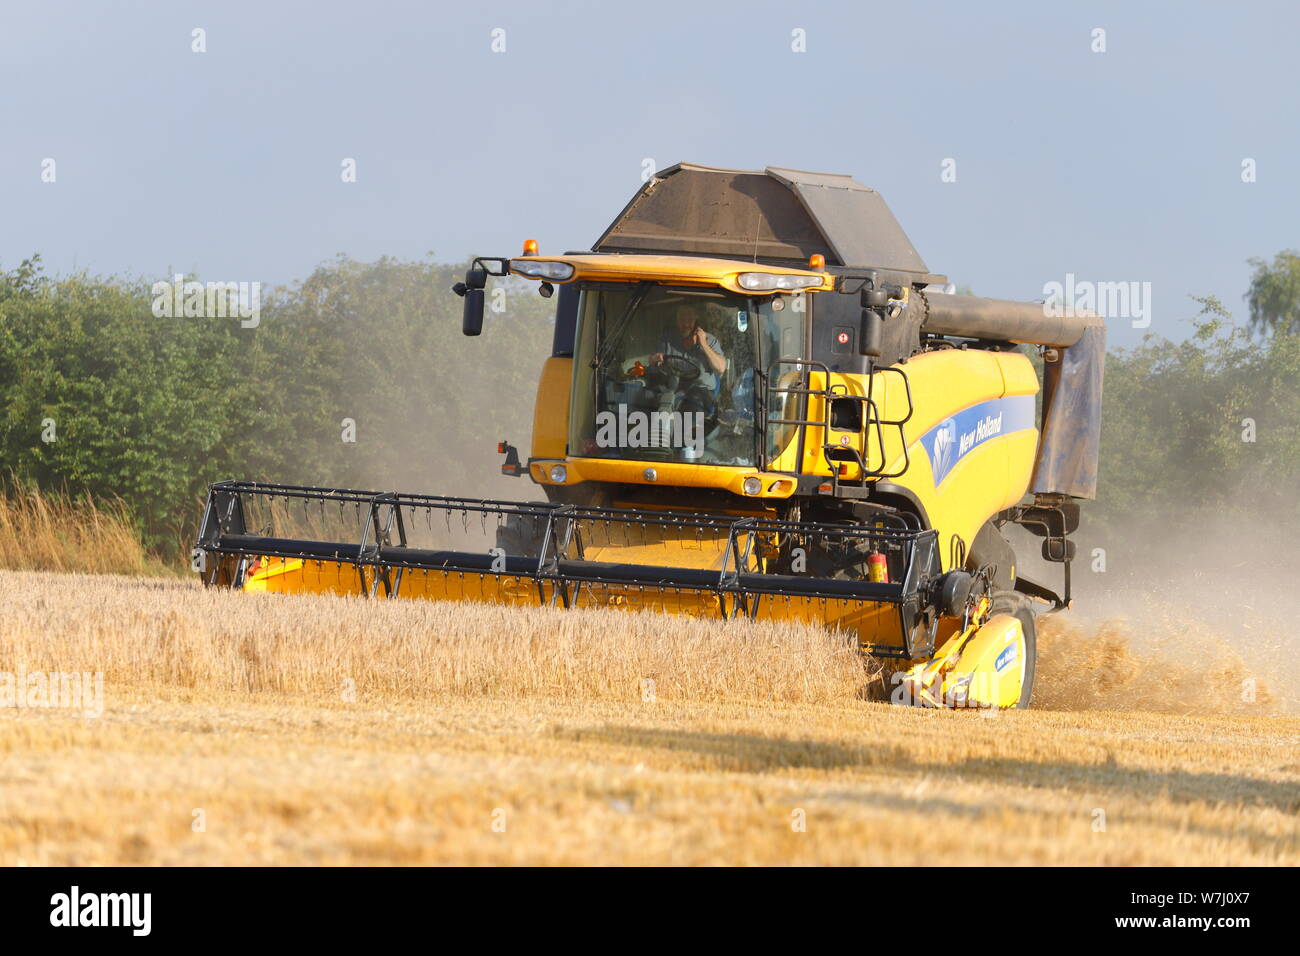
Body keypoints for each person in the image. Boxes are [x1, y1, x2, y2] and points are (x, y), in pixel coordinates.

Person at [651, 306, 727, 393]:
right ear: (676, 319)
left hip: (701, 391)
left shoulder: (709, 340)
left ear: (696, 320)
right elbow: (654, 364)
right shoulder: (667, 338)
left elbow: (720, 368)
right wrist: (653, 360)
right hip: (672, 390)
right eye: (682, 319)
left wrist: (704, 345)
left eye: (690, 319)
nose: (686, 324)